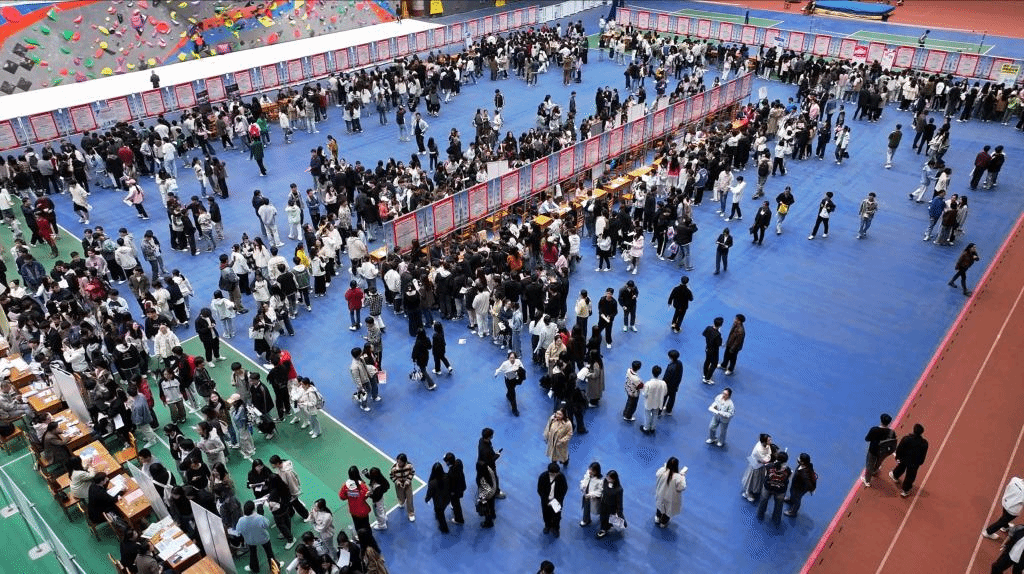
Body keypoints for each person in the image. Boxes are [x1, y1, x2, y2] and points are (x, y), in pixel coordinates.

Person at [890, 423, 929, 497]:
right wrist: (920, 462)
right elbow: (923, 454)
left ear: (913, 430)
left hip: (904, 459)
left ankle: (895, 475)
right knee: (910, 476)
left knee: (901, 467)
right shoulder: (924, 443)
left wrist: (897, 457)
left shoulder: (906, 439)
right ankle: (905, 490)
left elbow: (899, 448)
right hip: (914, 463)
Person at [237, 500, 275, 573]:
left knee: (253, 554)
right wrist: (261, 515)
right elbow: (267, 524)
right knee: (269, 553)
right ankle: (274, 567)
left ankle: (254, 568)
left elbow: (238, 530)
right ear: (253, 509)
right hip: (263, 538)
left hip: (250, 540)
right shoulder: (259, 518)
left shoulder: (241, 520)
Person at [862, 413, 897, 487]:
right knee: (879, 461)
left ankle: (867, 480)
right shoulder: (891, 432)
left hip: (873, 451)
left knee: (869, 464)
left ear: (881, 421)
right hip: (883, 452)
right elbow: (893, 442)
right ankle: (875, 470)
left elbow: (867, 439)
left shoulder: (874, 430)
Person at [757, 452, 792, 525]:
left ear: (776, 458)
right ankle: (776, 518)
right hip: (780, 490)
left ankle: (760, 514)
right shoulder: (788, 470)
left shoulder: (769, 466)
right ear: (786, 461)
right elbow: (787, 479)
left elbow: (765, 475)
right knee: (779, 505)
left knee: (763, 501)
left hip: (768, 487)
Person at [537, 462, 568, 537]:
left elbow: (564, 489)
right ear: (549, 472)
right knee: (546, 514)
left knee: (557, 516)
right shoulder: (543, 477)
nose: (556, 475)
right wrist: (545, 499)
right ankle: (547, 526)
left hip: (556, 501)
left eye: (557, 473)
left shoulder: (561, 477)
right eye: (554, 473)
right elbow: (540, 489)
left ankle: (556, 528)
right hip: (546, 501)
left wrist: (558, 500)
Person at [654, 457, 687, 527]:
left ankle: (657, 518)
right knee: (668, 511)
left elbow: (657, 474)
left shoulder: (662, 471)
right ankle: (663, 523)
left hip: (661, 494)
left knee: (660, 506)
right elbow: (681, 487)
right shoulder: (678, 477)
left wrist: (664, 467)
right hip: (670, 498)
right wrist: (683, 476)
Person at [339, 466, 373, 530]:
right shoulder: (362, 485)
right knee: (366, 526)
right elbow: (366, 495)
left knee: (358, 527)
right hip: (363, 510)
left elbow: (342, 496)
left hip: (353, 511)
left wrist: (350, 496)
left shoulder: (345, 486)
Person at [742, 434, 773, 502]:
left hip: (760, 465)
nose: (771, 441)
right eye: (769, 440)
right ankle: (747, 493)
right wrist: (768, 458)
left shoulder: (766, 445)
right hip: (755, 466)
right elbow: (765, 460)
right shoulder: (758, 450)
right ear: (764, 442)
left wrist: (768, 457)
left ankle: (755, 489)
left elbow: (769, 453)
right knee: (751, 480)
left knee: (758, 479)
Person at [785, 453, 817, 517]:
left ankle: (793, 512)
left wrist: (807, 489)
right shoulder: (805, 465)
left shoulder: (804, 474)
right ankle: (791, 500)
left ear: (803, 462)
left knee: (797, 499)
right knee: (792, 493)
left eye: (800, 459)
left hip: (799, 489)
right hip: (795, 485)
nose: (798, 459)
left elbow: (808, 484)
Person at [423, 462, 452, 533]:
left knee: (440, 514)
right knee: (442, 509)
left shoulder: (432, 483)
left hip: (438, 502)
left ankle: (444, 529)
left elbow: (429, 493)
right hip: (447, 498)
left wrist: (427, 499)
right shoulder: (447, 476)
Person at [494, 351, 525, 416]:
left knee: (511, 390)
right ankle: (514, 410)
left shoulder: (518, 361)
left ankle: (508, 394)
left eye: (513, 358)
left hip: (515, 378)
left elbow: (522, 368)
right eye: (511, 358)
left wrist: (517, 371)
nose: (512, 359)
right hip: (508, 380)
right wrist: (496, 374)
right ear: (508, 358)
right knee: (513, 394)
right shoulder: (505, 364)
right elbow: (499, 369)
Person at [596, 469, 624, 538]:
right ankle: (605, 526)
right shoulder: (605, 482)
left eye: (609, 478)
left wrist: (619, 511)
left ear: (614, 479)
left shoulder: (619, 490)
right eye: (607, 476)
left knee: (607, 518)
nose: (607, 478)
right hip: (603, 503)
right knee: (602, 516)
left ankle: (604, 529)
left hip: (611, 507)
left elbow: (619, 502)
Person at [640, 365, 667, 434]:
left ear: (652, 372)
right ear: (660, 373)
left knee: (647, 415)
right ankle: (652, 428)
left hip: (649, 403)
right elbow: (665, 393)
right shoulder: (663, 383)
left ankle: (646, 428)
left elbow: (644, 394)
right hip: (657, 402)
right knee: (655, 415)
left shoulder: (648, 384)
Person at [389, 453, 416, 521]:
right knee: (400, 496)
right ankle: (401, 501)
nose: (399, 463)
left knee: (409, 499)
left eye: (400, 462)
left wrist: (408, 481)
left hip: (407, 484)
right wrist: (397, 482)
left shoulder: (409, 466)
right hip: (399, 485)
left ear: (404, 462)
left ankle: (411, 513)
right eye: (398, 461)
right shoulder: (394, 468)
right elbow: (392, 476)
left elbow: (412, 472)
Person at [443, 452, 466, 525]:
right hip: (461, 486)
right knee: (455, 502)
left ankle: (459, 519)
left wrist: (451, 492)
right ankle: (453, 506)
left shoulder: (451, 473)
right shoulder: (459, 462)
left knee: (456, 504)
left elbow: (451, 485)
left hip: (455, 491)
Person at [579, 461, 603, 527]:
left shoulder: (599, 481)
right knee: (586, 508)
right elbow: (584, 480)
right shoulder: (588, 474)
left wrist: (591, 494)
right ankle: (586, 520)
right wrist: (583, 485)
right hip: (586, 496)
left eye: (593, 470)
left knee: (599, 509)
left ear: (596, 472)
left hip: (594, 498)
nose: (590, 471)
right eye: (590, 469)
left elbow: (599, 491)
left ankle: (603, 518)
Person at [702, 317, 724, 384]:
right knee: (714, 364)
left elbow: (704, 334)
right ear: (720, 325)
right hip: (714, 351)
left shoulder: (708, 328)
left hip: (707, 348)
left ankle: (705, 374)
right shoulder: (718, 334)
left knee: (707, 361)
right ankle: (707, 378)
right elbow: (719, 343)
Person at [476, 460, 498, 528]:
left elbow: (482, 488)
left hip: (487, 494)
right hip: (493, 490)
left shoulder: (481, 477)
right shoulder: (490, 471)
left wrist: (482, 498)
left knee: (487, 508)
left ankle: (488, 522)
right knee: (491, 505)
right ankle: (493, 515)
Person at [662, 349, 683, 415]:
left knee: (664, 397)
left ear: (670, 357)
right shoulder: (680, 363)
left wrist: (663, 384)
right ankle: (669, 410)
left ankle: (660, 410)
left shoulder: (671, 367)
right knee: (672, 397)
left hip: (668, 385)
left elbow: (666, 377)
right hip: (675, 385)